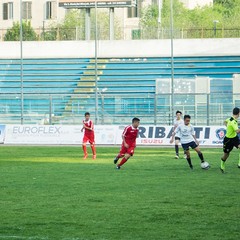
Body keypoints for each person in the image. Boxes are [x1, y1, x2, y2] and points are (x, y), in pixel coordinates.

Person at [220, 107, 240, 173]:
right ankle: (222, 163)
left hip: (234, 138)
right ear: (238, 113)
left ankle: (239, 163)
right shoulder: (233, 122)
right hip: (228, 140)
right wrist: (230, 128)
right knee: (226, 155)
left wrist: (228, 127)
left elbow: (224, 122)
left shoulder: (229, 119)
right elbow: (237, 131)